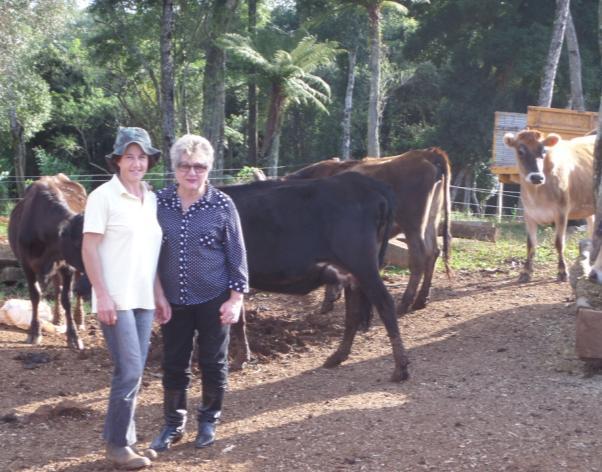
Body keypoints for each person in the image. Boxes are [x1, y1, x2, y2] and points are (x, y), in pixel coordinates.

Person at [150, 134, 248, 452]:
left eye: (199, 166)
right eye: (185, 166)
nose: (192, 172)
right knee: (174, 363)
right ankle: (173, 425)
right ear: (174, 168)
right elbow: (149, 254)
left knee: (213, 362)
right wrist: (157, 295)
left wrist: (236, 299)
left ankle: (208, 421)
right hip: (172, 301)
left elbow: (237, 253)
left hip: (213, 298)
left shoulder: (221, 205)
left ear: (209, 168)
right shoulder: (159, 203)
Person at [82, 127, 171, 470]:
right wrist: (101, 294)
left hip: (144, 298)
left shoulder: (149, 198)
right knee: (130, 370)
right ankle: (118, 445)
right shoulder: (102, 197)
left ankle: (125, 440)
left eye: (142, 157)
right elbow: (89, 247)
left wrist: (159, 293)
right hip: (115, 298)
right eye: (129, 157)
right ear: (117, 161)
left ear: (149, 161)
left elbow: (149, 253)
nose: (136, 163)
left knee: (131, 370)